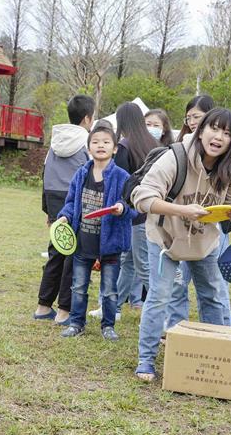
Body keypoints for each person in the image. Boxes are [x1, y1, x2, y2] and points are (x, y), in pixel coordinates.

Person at [132, 108, 231, 381]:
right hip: (165, 239)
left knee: (212, 296)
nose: (219, 137)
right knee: (159, 296)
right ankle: (146, 360)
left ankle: (215, 355)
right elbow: (143, 198)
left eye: (227, 133)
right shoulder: (176, 157)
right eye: (214, 128)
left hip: (204, 241)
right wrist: (183, 211)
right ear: (201, 129)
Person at [56, 122, 136, 340]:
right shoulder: (81, 174)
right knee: (78, 286)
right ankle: (76, 323)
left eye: (106, 142)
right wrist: (64, 216)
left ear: (115, 148)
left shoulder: (122, 176)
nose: (101, 145)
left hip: (110, 244)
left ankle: (108, 326)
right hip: (83, 242)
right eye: (95, 142)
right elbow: (71, 203)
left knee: (109, 290)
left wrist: (123, 208)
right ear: (88, 147)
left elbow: (134, 207)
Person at [166, 95, 231, 328]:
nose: (193, 121)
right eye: (190, 117)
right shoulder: (177, 150)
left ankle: (222, 330)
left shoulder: (226, 155)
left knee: (214, 286)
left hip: (210, 230)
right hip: (179, 230)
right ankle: (176, 329)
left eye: (199, 116)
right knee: (177, 284)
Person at [34, 95, 95, 324]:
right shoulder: (88, 142)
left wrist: (48, 211)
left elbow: (45, 172)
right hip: (76, 199)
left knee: (56, 250)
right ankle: (65, 311)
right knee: (74, 254)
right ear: (88, 118)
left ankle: (43, 306)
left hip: (54, 197)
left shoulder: (55, 141)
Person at [107, 102, 158, 318]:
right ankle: (114, 307)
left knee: (143, 265)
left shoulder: (125, 146)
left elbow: (120, 182)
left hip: (134, 214)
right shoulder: (153, 143)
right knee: (129, 262)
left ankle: (162, 312)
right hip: (153, 209)